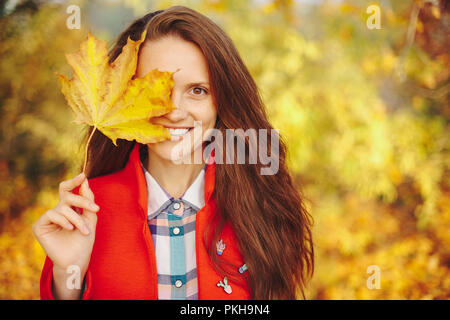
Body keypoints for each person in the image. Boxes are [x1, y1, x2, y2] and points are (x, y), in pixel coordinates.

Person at [32, 5, 314, 300]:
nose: (175, 112)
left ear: (221, 102)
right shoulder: (89, 210)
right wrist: (68, 277)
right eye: (156, 89)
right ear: (124, 98)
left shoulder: (260, 206)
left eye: (197, 90)